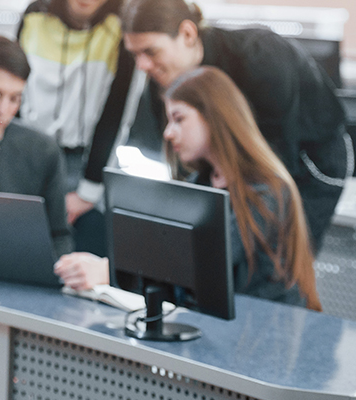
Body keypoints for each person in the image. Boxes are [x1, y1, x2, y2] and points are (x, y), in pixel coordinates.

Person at [57, 66, 322, 311]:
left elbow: (203, 261)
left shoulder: (266, 189)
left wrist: (111, 271)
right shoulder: (202, 184)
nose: (168, 133)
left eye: (179, 119)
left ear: (214, 117)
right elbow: (175, 259)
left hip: (264, 333)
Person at [121, 0, 352, 253]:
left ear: (187, 33)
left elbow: (274, 169)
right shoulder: (162, 78)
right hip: (233, 164)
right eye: (135, 54)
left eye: (150, 51)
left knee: (281, 260)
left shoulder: (259, 58)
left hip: (307, 157)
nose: (142, 65)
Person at [17, 0, 135, 257]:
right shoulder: (35, 15)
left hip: (84, 165)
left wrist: (88, 191)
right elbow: (14, 92)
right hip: (29, 156)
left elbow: (116, 114)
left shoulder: (121, 31)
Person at [0, 35, 73, 257]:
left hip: (19, 276)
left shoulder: (43, 152)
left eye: (15, 99)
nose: (3, 109)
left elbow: (59, 236)